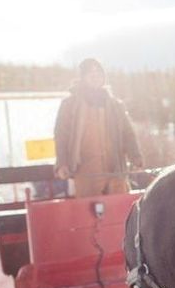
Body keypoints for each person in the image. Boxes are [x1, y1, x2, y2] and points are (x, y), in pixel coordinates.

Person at [53, 58, 143, 197]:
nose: (96, 76)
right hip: (86, 172)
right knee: (89, 214)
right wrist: (62, 163)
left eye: (99, 72)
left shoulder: (115, 105)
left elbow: (128, 134)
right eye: (91, 72)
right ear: (83, 77)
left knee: (122, 212)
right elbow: (61, 135)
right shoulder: (70, 105)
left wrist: (135, 157)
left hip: (115, 170)